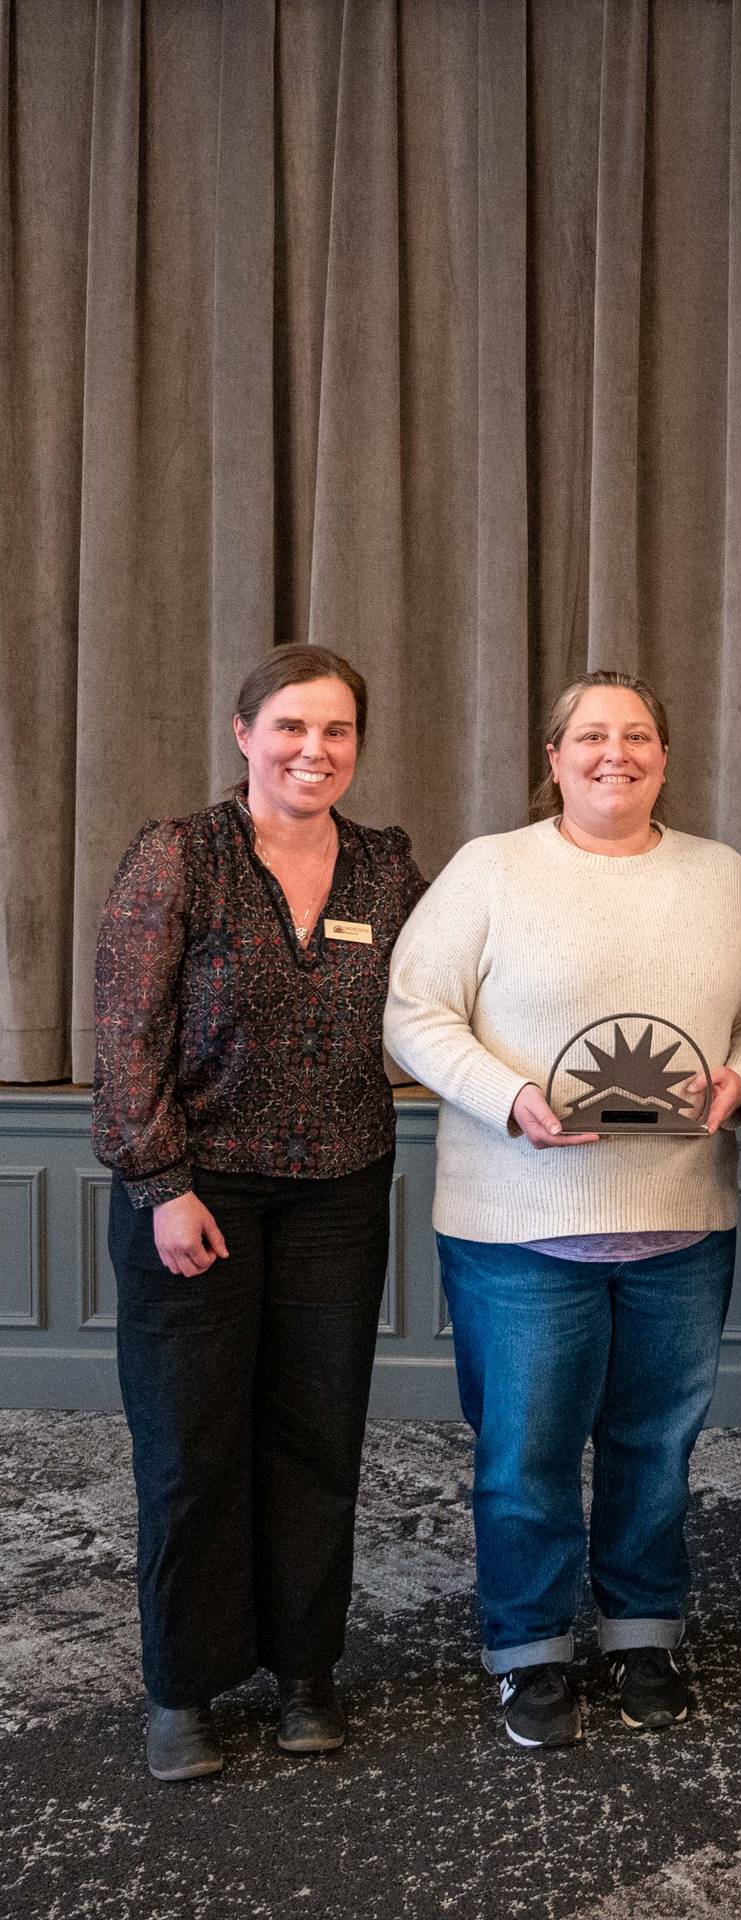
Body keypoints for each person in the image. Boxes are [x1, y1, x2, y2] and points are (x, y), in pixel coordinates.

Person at [383, 671, 741, 1751]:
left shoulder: (722, 875)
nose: (618, 753)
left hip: (680, 1222)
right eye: (592, 736)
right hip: (520, 1228)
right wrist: (507, 1099)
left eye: (639, 734)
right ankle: (529, 1649)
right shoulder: (491, 871)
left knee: (657, 1445)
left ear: (665, 754)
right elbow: (414, 1014)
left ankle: (641, 1630)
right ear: (552, 758)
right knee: (527, 1455)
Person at [92, 645, 427, 1782]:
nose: (313, 751)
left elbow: (467, 983)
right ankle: (183, 1690)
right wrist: (160, 1185)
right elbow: (127, 1035)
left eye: (335, 732)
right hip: (200, 1193)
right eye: (290, 727)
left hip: (340, 1189)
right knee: (192, 1448)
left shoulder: (387, 869)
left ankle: (303, 1672)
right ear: (244, 734)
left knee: (316, 1442)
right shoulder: (179, 854)